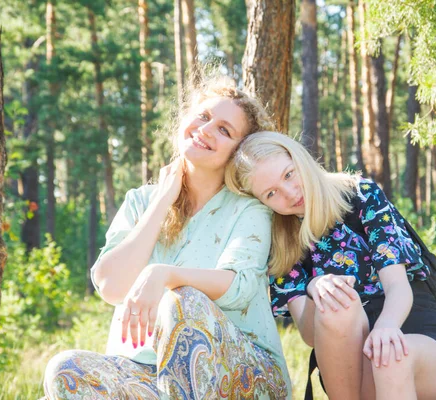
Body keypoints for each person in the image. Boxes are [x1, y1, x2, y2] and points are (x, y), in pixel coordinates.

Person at [42, 80, 291, 399]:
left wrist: (163, 274)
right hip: (150, 375)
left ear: (238, 153)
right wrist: (162, 201)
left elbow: (239, 287)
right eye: (203, 117)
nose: (207, 129)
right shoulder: (140, 201)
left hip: (244, 373)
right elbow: (112, 286)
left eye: (225, 130)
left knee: (182, 301)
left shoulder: (248, 209)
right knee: (66, 370)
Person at [225, 131, 436, 400]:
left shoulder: (361, 195)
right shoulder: (281, 242)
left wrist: (386, 327)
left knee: (389, 357)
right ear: (262, 202)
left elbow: (398, 286)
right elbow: (309, 335)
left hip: (413, 336)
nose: (290, 193)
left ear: (300, 158)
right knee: (336, 304)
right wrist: (315, 291)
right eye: (271, 193)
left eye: (289, 174)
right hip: (348, 366)